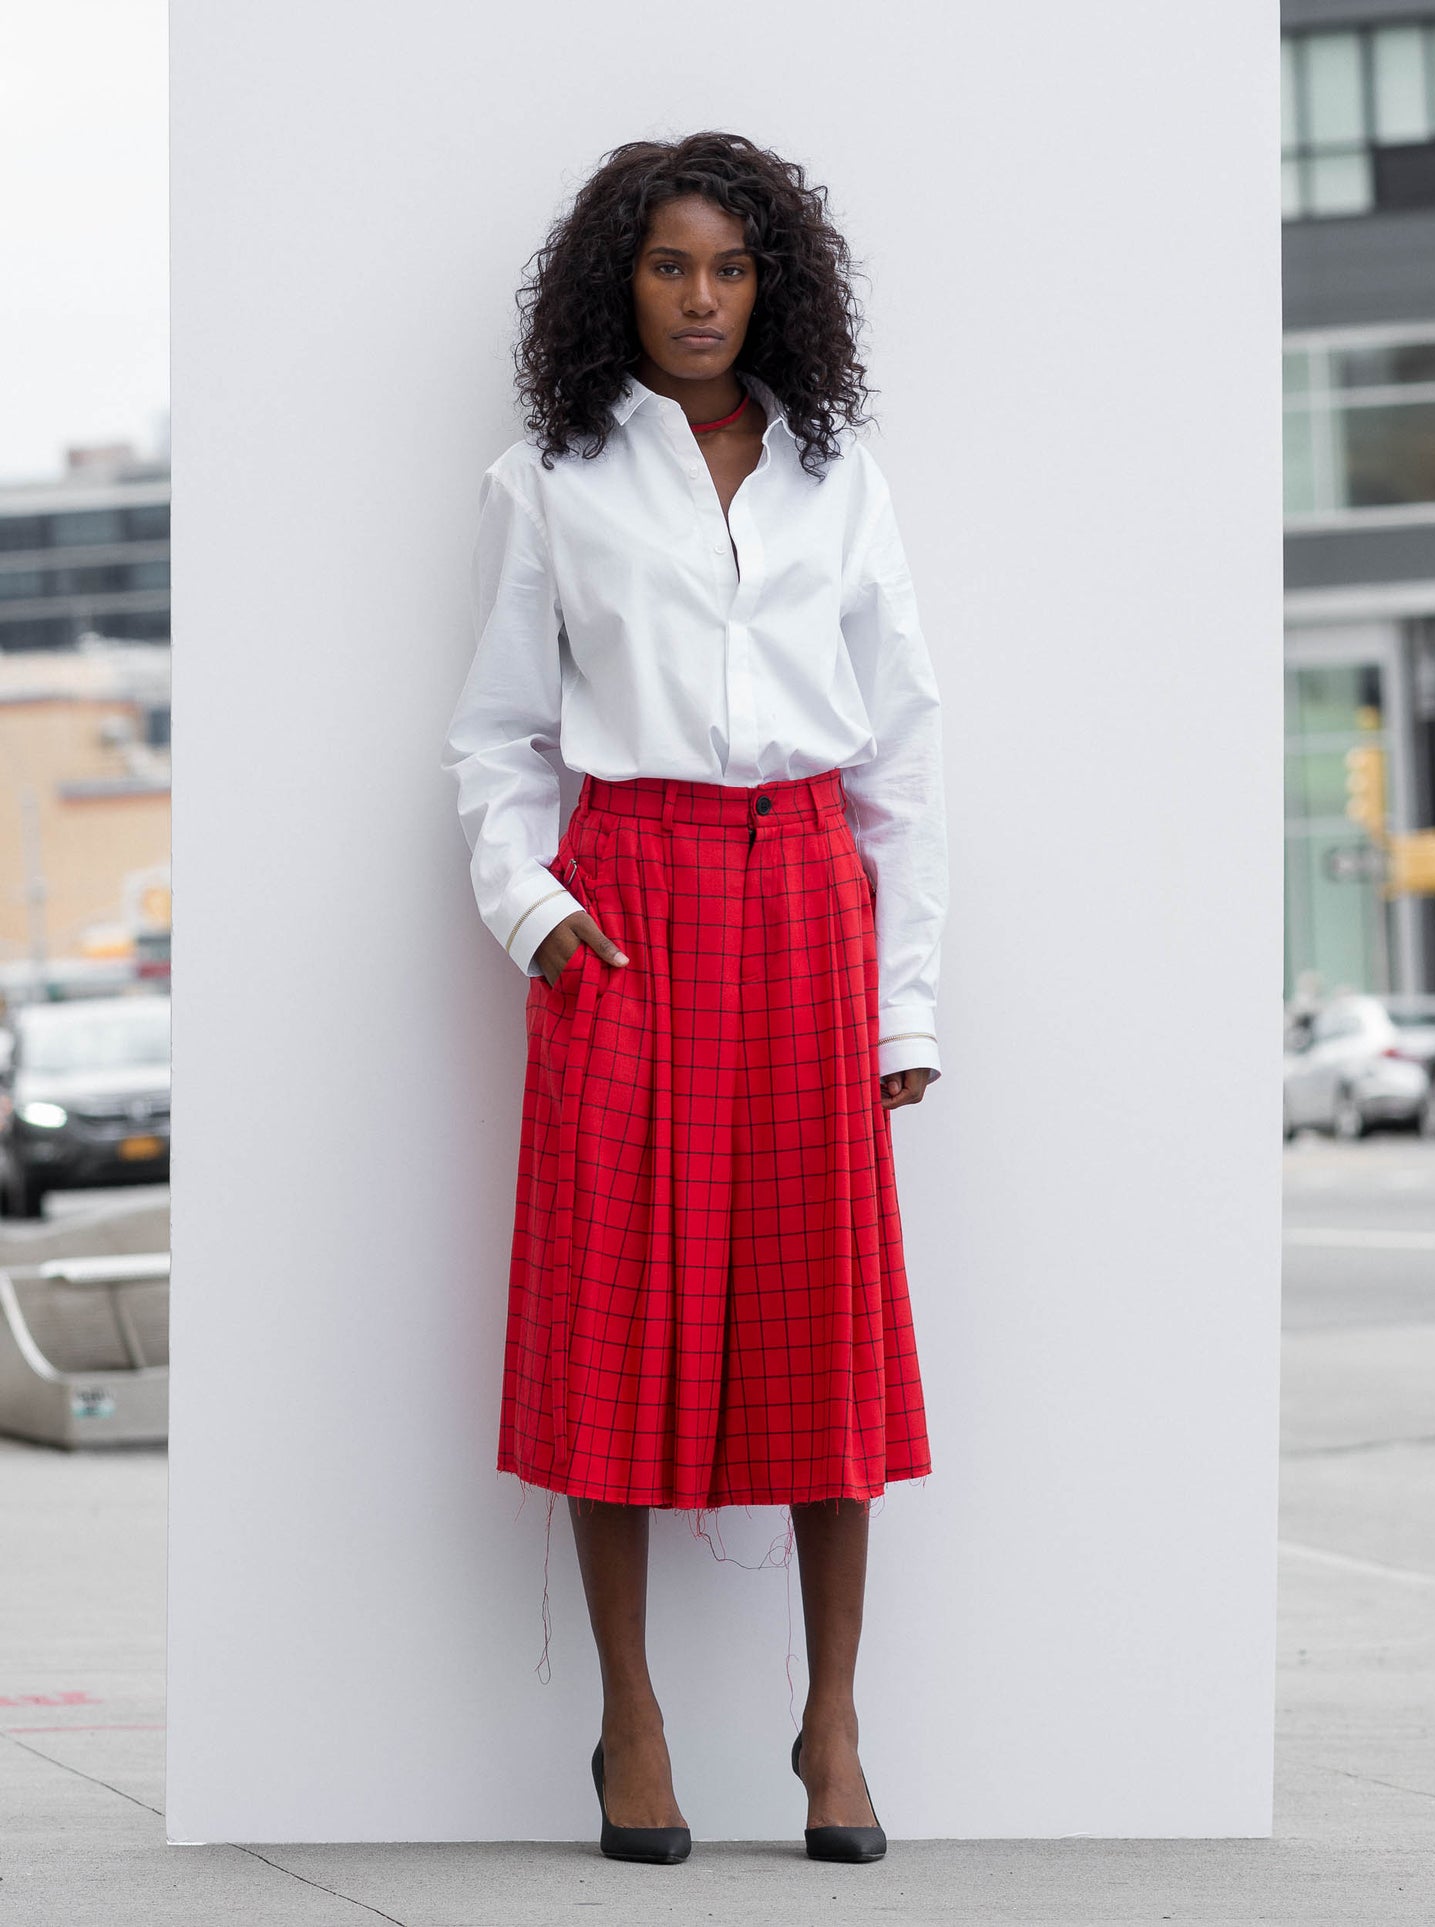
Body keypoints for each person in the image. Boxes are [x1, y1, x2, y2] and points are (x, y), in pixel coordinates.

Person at [441, 130, 948, 1866]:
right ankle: (630, 1722)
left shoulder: (837, 474)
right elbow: (496, 734)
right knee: (612, 1315)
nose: (701, 299)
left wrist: (905, 1005)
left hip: (807, 895)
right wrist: (536, 912)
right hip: (630, 904)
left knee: (827, 1318)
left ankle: (830, 1725)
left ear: (772, 283)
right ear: (618, 284)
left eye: (730, 267)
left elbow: (902, 748)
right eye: (669, 266)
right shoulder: (553, 479)